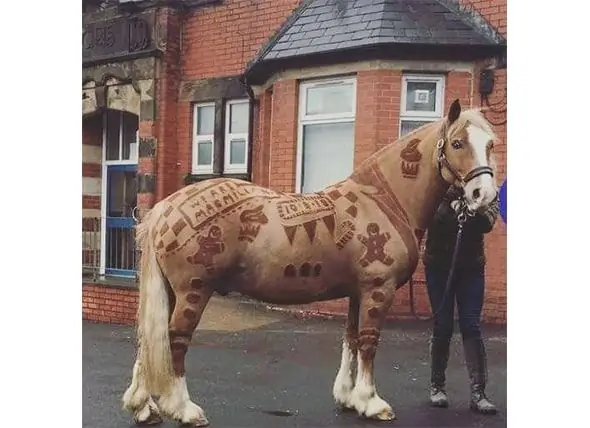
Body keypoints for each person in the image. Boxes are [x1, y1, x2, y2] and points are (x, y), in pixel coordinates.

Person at [422, 185, 499, 414]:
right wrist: (451, 204)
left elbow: (487, 222)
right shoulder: (435, 188)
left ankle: (478, 393)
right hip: (438, 267)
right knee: (443, 326)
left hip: (471, 268)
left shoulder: (486, 188)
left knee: (471, 326)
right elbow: (429, 217)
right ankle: (437, 386)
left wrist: (470, 209)